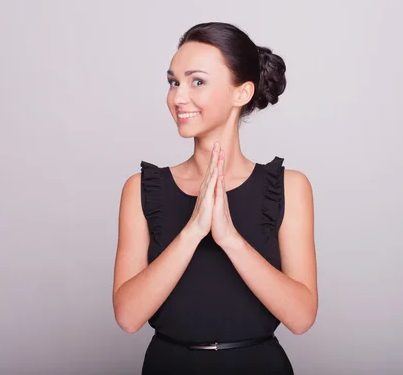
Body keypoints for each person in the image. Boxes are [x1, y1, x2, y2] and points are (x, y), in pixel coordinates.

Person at [112, 22, 317, 374]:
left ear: (242, 93)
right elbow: (128, 317)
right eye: (173, 82)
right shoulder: (140, 188)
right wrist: (193, 230)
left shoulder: (290, 187)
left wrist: (229, 239)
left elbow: (301, 318)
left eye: (197, 81)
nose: (178, 97)